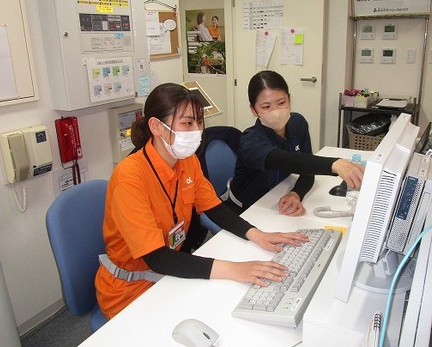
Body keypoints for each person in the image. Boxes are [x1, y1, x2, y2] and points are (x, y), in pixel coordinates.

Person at [95, 83, 308, 319]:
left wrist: (257, 234)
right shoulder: (130, 178)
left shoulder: (186, 161)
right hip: (131, 290)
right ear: (156, 126)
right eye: (187, 123)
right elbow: (157, 257)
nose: (197, 131)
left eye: (199, 122)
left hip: (169, 274)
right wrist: (234, 269)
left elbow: (214, 208)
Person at [227, 70, 365, 216]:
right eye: (266, 107)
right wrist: (334, 164)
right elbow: (282, 160)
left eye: (281, 103)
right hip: (246, 208)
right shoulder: (251, 140)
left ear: (289, 100)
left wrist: (296, 193)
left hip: (276, 198)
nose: (276, 111)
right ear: (254, 110)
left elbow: (307, 170)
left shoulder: (297, 123)